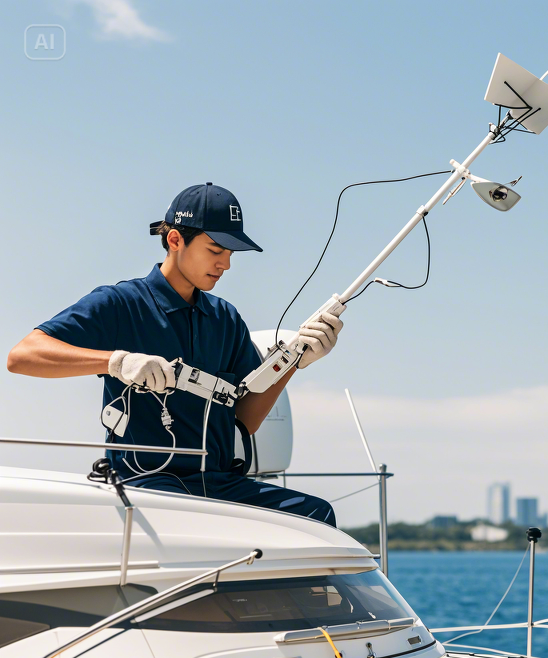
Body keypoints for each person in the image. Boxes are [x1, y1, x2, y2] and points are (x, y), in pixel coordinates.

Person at [7, 183, 341, 525]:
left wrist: (294, 363)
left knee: (315, 516)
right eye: (216, 249)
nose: (226, 263)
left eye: (231, 253)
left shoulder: (225, 319)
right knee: (194, 519)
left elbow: (245, 420)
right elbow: (22, 356)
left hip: (220, 484)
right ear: (175, 240)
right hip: (146, 485)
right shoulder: (121, 303)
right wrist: (117, 362)